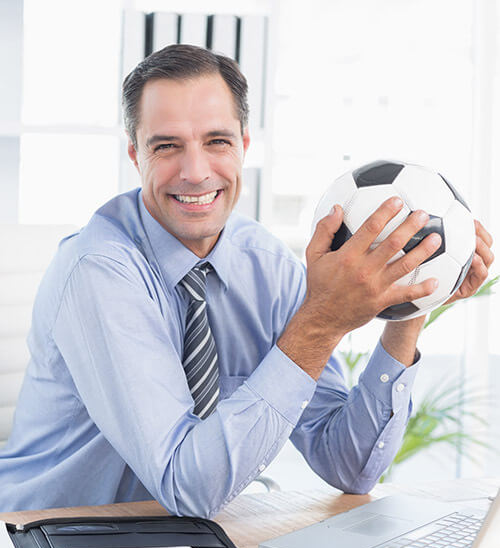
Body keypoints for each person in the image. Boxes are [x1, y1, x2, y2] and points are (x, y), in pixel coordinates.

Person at [0, 45, 493, 516]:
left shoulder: (266, 266)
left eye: (217, 141)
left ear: (244, 145)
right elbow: (185, 486)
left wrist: (411, 300)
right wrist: (320, 323)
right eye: (167, 146)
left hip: (191, 545)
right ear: (135, 155)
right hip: (50, 538)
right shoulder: (100, 270)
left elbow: (349, 465)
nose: (196, 172)